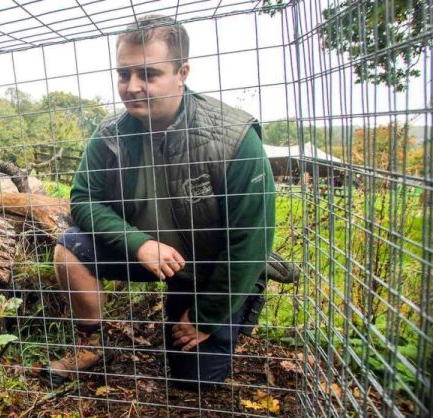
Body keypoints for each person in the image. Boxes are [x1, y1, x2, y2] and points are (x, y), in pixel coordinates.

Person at [41, 14, 276, 391]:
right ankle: (92, 346)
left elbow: (251, 239)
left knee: (195, 382)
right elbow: (83, 201)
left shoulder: (234, 138)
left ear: (182, 72)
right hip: (150, 254)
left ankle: (232, 306)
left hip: (206, 268)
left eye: (148, 74)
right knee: (70, 248)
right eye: (124, 73)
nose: (131, 87)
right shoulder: (109, 136)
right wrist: (139, 243)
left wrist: (204, 317)